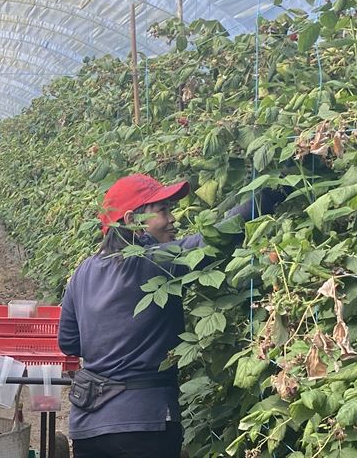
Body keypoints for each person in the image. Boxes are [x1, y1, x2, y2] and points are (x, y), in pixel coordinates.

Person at [58, 173, 285, 458]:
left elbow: (69, 342)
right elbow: (217, 235)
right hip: (146, 424)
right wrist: (274, 191)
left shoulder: (82, 272)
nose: (172, 218)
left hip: (89, 428)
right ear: (131, 220)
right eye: (163, 210)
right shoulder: (156, 263)